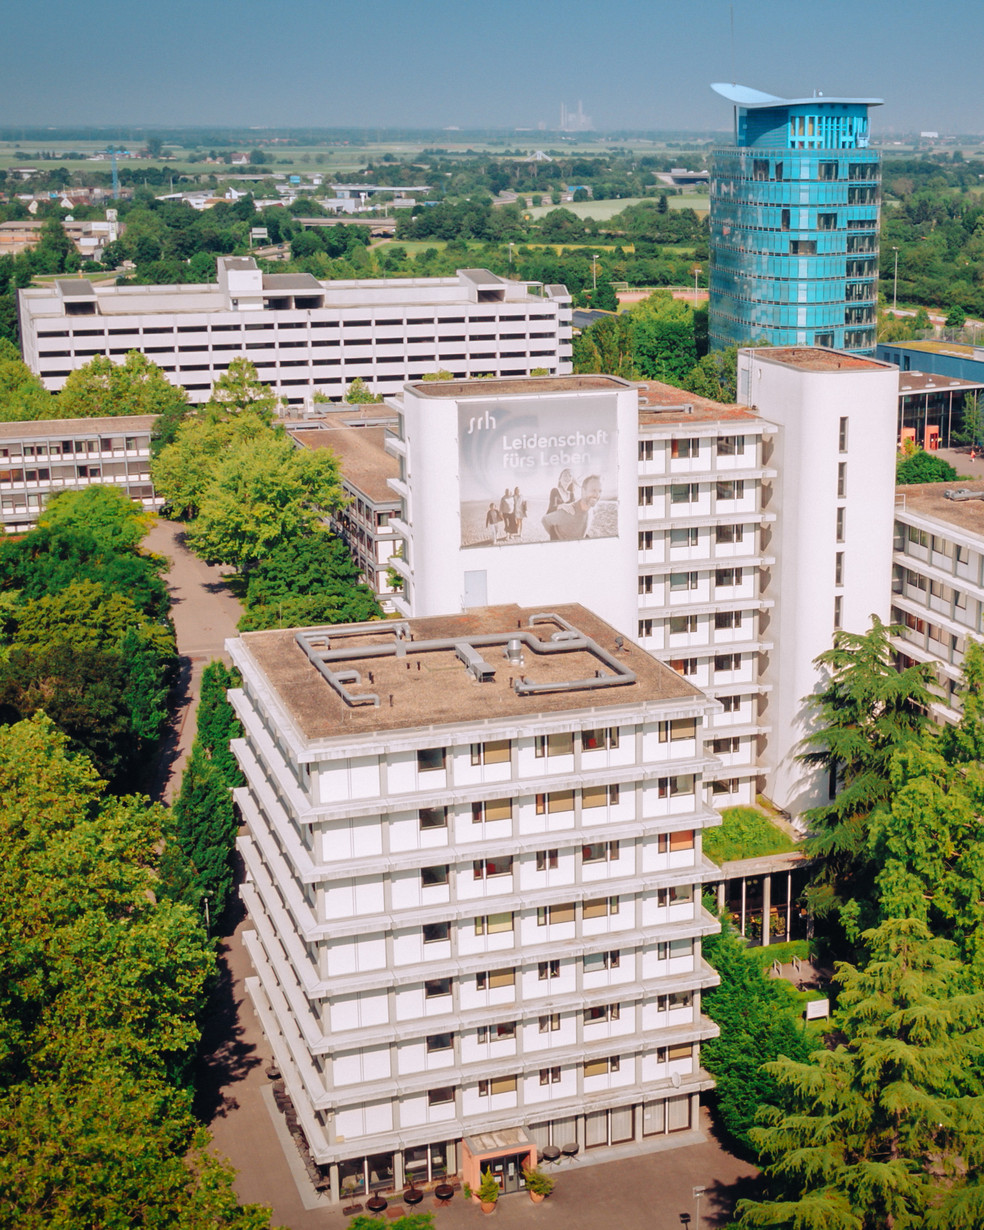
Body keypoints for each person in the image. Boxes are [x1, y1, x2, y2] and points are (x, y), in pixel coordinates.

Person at [541, 474, 602, 541]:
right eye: (593, 490)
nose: (597, 495)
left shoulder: (590, 510)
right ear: (583, 491)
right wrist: (557, 538)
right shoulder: (567, 512)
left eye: (600, 491)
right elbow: (545, 520)